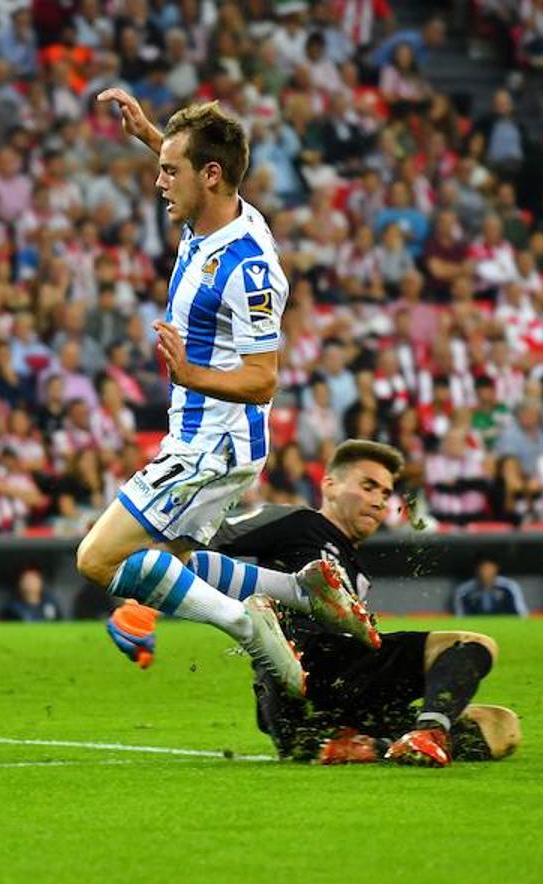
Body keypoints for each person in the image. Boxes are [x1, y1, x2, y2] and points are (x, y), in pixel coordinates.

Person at [80, 89, 377, 700]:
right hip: (205, 437)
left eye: (169, 170)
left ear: (209, 176)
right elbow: (195, 169)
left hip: (212, 443)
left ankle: (249, 626)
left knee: (99, 558)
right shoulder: (217, 212)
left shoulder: (247, 266)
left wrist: (190, 375)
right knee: (175, 567)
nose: (159, 180)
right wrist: (148, 134)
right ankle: (304, 591)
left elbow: (263, 377)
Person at [112, 440, 520, 767]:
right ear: (329, 485)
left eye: (385, 492)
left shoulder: (357, 573)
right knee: (475, 644)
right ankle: (421, 735)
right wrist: (141, 606)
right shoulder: (297, 522)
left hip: (328, 700)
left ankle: (360, 744)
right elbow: (190, 547)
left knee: (501, 726)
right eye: (367, 485)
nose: (380, 500)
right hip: (301, 670)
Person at [452, 554, 529, 617]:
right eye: (482, 568)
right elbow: (460, 616)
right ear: (476, 570)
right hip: (475, 627)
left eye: (489, 568)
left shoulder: (509, 586)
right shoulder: (464, 590)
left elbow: (522, 614)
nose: (485, 572)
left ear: (496, 568)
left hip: (504, 625)